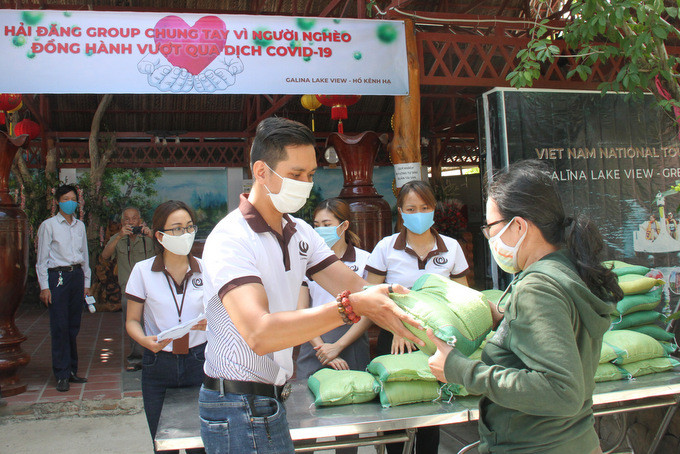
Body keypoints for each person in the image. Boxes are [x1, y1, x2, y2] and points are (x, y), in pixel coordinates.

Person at [199, 117, 423, 454]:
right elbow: (260, 334)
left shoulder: (299, 232)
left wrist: (415, 310)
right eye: (295, 175)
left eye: (311, 175)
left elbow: (354, 286)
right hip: (237, 404)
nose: (305, 184)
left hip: (272, 399)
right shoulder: (231, 239)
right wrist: (351, 307)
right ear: (261, 171)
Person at [428, 160, 622, 454]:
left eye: (491, 227)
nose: (490, 237)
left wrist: (461, 369)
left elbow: (561, 392)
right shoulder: (567, 269)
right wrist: (503, 319)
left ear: (518, 226)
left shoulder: (538, 288)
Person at [365, 179, 469, 454]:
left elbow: (464, 296)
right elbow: (368, 294)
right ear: (400, 211)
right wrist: (397, 329)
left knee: (430, 413)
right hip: (395, 336)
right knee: (395, 411)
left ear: (434, 209)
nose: (418, 213)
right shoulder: (386, 247)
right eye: (411, 208)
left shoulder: (451, 247)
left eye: (424, 207)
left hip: (435, 341)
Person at [125, 200, 207, 454]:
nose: (186, 234)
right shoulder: (142, 271)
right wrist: (144, 341)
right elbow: (132, 321)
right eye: (178, 228)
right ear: (160, 235)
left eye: (190, 227)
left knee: (200, 444)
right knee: (164, 444)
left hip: (199, 361)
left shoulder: (207, 269)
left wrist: (210, 324)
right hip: (158, 362)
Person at [36, 184, 91, 392]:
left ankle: (72, 370)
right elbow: (41, 260)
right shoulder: (48, 226)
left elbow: (85, 256)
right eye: (65, 199)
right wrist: (44, 287)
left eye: (73, 199)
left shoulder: (80, 226)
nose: (70, 202)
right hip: (57, 277)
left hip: (76, 275)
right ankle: (61, 374)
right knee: (59, 326)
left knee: (73, 326)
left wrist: (86, 283)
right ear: (58, 202)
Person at [101, 206, 155, 371]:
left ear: (140, 221)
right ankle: (136, 358)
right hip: (129, 291)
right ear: (122, 222)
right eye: (127, 219)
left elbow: (166, 250)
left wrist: (152, 235)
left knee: (154, 323)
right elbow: (105, 255)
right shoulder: (119, 239)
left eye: (134, 219)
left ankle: (154, 357)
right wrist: (118, 236)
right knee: (133, 324)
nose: (131, 222)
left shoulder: (149, 237)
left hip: (151, 290)